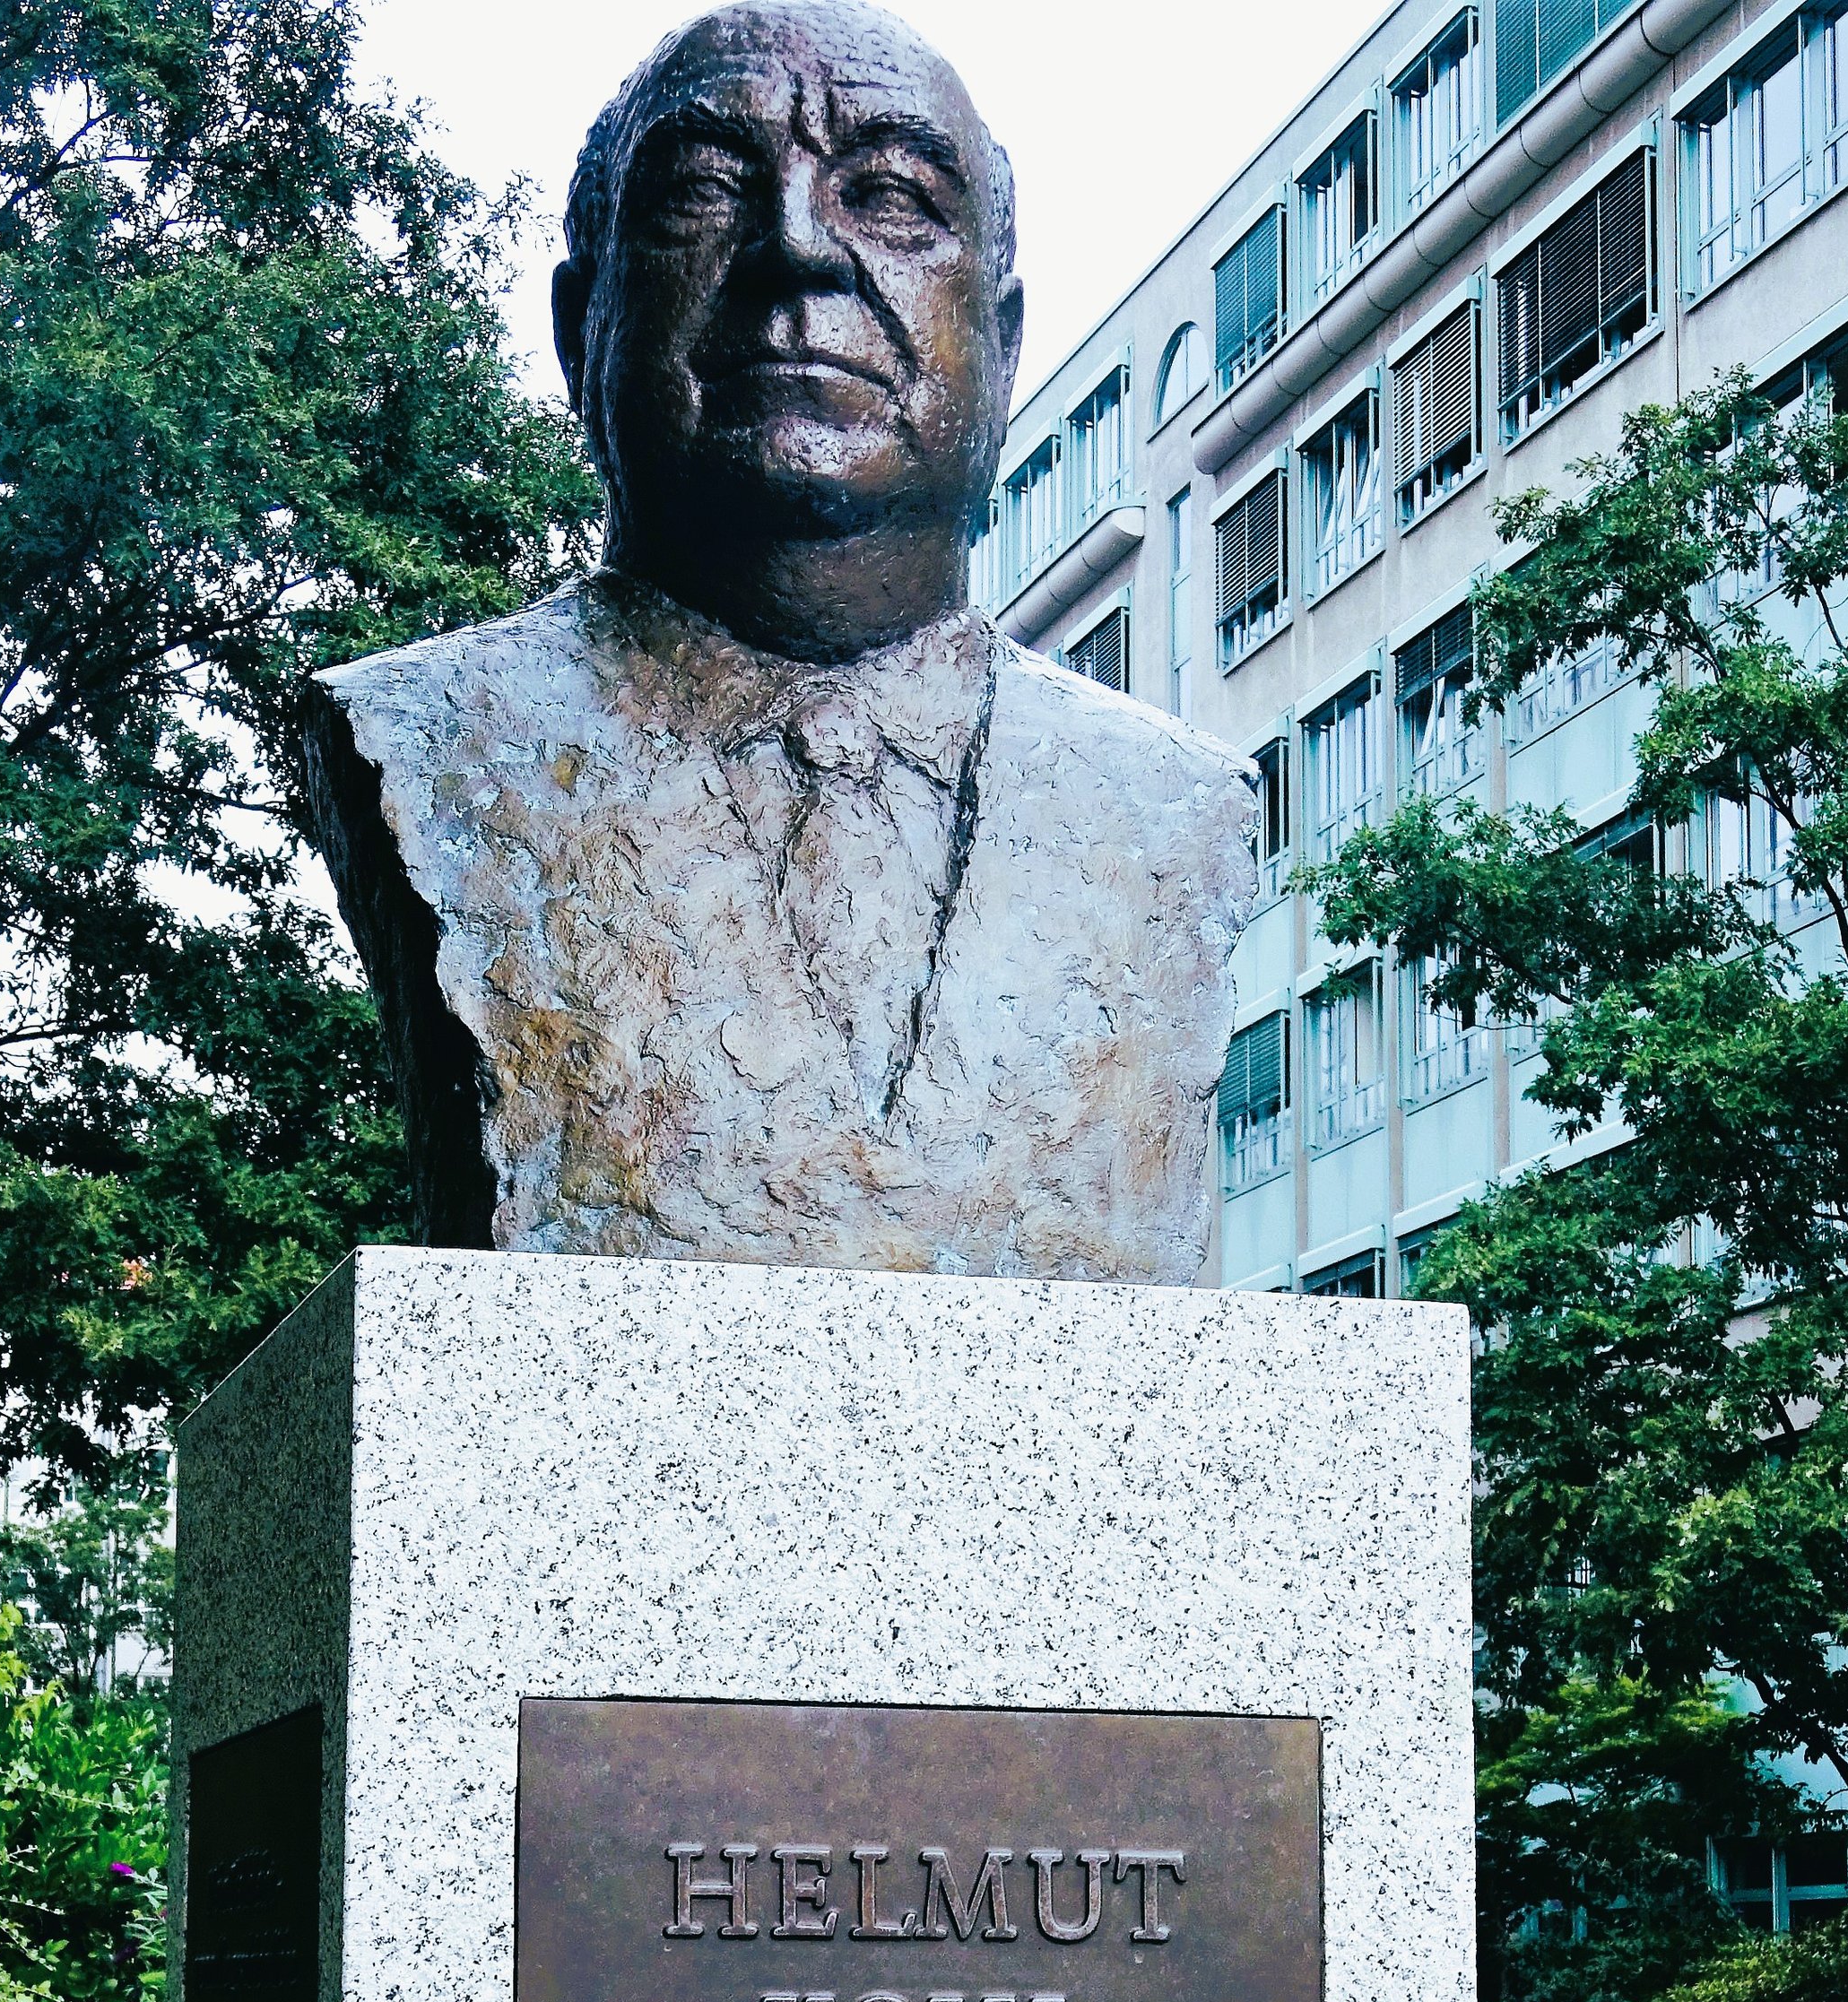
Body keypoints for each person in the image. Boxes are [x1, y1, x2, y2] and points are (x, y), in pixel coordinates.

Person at [304, 1, 1254, 1278]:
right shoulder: (435, 747)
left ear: (1005, 343)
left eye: (896, 197)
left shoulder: (1168, 809)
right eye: (703, 190)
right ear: (581, 325)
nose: (799, 251)